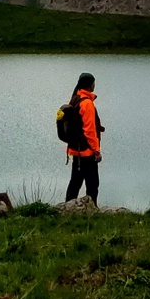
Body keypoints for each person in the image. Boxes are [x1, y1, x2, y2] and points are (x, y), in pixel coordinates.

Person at [64, 71, 104, 204]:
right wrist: (96, 151)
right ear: (91, 85)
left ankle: (67, 208)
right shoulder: (87, 103)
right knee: (92, 185)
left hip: (77, 150)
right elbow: (90, 131)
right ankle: (92, 211)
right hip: (87, 152)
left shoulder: (75, 98)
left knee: (75, 182)